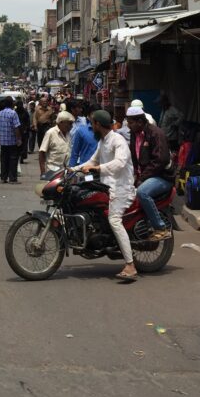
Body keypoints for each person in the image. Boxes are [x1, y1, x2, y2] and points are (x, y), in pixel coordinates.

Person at [77, 109, 138, 283]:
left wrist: (98, 169)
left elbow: (119, 163)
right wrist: (73, 169)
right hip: (107, 186)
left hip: (121, 187)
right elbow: (92, 161)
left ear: (98, 124)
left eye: (92, 123)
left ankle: (130, 265)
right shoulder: (102, 141)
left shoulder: (117, 140)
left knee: (114, 220)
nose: (91, 126)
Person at [125, 106, 175, 240]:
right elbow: (134, 159)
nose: (128, 126)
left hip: (162, 177)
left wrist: (142, 177)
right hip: (146, 176)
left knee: (142, 192)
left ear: (140, 122)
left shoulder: (156, 133)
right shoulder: (134, 135)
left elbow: (161, 159)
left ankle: (161, 228)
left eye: (130, 123)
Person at [38, 111, 74, 177]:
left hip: (65, 172)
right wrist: (43, 173)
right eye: (69, 124)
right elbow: (42, 153)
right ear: (61, 122)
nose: (71, 126)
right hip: (52, 171)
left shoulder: (68, 134)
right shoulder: (50, 133)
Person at [0, 96, 22, 184]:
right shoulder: (13, 113)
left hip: (3, 141)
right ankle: (12, 178)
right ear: (12, 104)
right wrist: (18, 139)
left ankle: (3, 178)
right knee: (13, 159)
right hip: (12, 141)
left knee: (4, 160)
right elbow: (16, 127)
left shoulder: (0, 114)